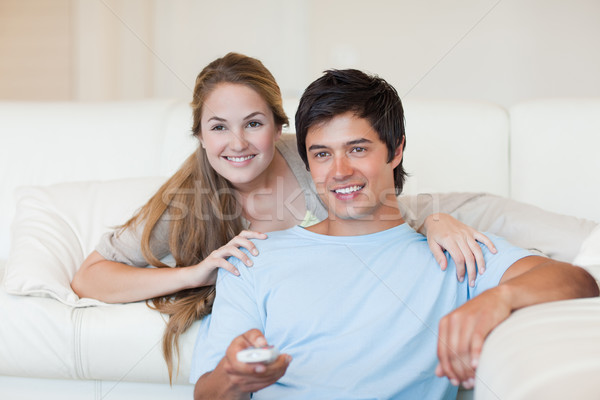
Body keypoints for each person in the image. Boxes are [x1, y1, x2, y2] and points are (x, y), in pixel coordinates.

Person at [69, 53, 494, 381]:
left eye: (253, 123)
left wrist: (431, 222)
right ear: (199, 135)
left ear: (277, 125)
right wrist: (193, 275)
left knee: (482, 211)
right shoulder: (188, 198)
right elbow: (90, 276)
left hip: (361, 277)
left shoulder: (313, 157)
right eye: (218, 128)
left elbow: (372, 208)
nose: (237, 143)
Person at [189, 69, 599, 399]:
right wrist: (234, 376)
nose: (339, 172)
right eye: (322, 155)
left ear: (396, 149)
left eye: (358, 149)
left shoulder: (452, 252)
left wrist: (499, 298)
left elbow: (578, 281)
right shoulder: (255, 258)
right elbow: (207, 393)